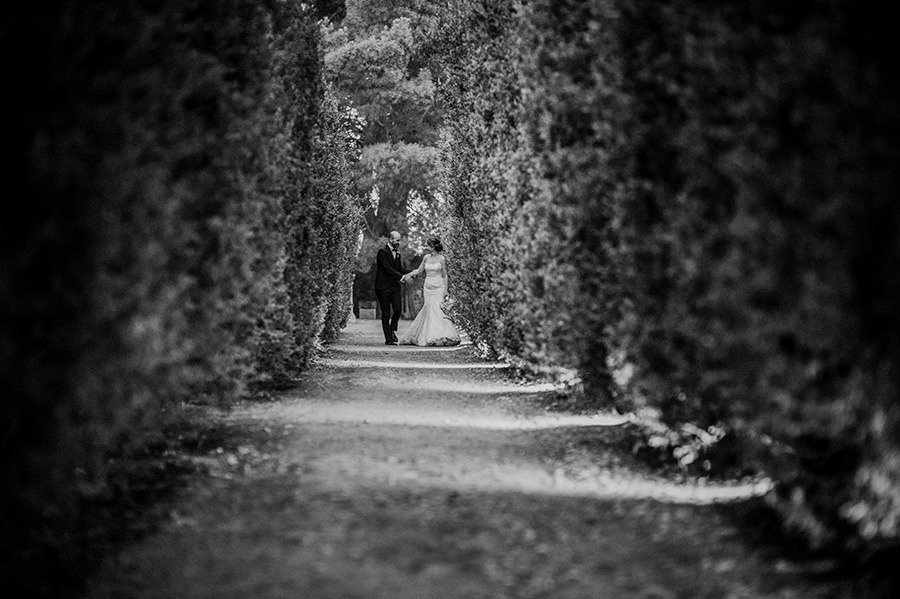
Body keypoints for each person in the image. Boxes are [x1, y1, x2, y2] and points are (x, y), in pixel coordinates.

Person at [399, 236, 460, 346]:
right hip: (428, 287)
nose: (426, 247)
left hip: (439, 287)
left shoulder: (442, 258)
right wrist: (406, 275)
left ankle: (441, 335)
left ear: (433, 246)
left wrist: (446, 290)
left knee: (438, 309)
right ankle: (429, 335)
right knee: (429, 309)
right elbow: (419, 270)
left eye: (428, 245)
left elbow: (445, 274)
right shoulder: (426, 257)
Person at [374, 231, 411, 345]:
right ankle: (388, 339)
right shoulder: (382, 252)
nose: (399, 242)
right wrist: (403, 277)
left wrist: (412, 272)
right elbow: (388, 269)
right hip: (383, 287)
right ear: (391, 239)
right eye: (397, 240)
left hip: (394, 287)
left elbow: (399, 269)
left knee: (398, 310)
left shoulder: (398, 253)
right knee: (385, 313)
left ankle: (392, 330)